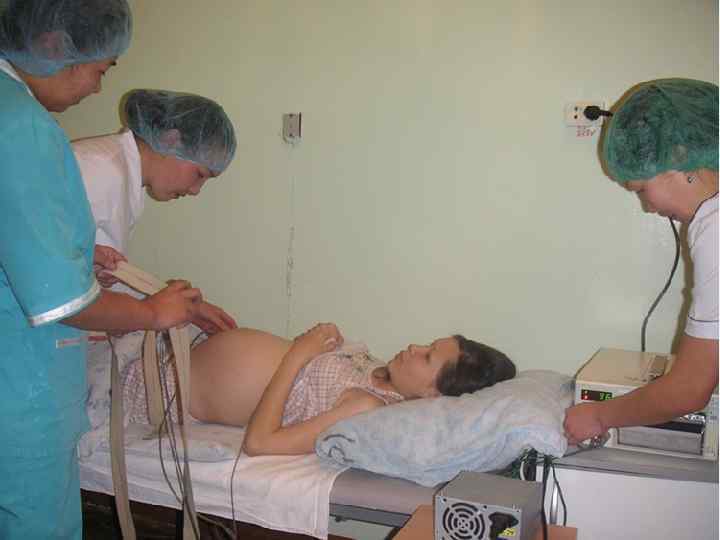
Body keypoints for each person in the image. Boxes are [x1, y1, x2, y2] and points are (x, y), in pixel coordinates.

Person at [0, 2, 201, 538]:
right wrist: (151, 313)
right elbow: (59, 300)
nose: (97, 87)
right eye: (102, 68)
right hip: (18, 390)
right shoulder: (22, 127)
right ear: (54, 46)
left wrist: (71, 255)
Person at [564, 78, 718, 446]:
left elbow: (690, 390)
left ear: (680, 156)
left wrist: (597, 415)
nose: (649, 207)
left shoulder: (715, 228)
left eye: (641, 190)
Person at [121, 323, 517, 456]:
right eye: (427, 344)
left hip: (159, 392)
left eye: (427, 356)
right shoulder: (374, 369)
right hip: (168, 353)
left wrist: (299, 352)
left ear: (433, 394)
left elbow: (260, 443)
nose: (414, 347)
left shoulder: (366, 408)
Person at [74, 88, 239, 335]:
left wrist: (182, 304)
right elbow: (56, 286)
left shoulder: (125, 178)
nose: (195, 191)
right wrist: (155, 308)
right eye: (199, 174)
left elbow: (98, 274)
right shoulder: (97, 170)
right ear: (171, 141)